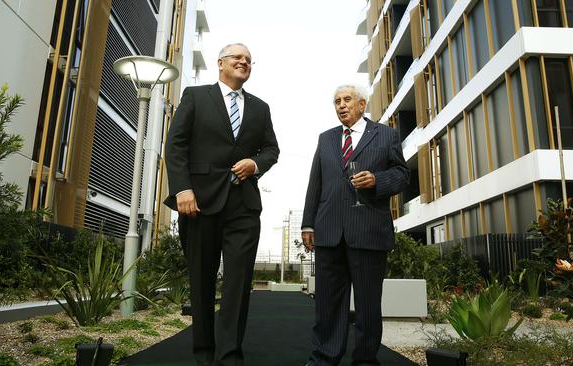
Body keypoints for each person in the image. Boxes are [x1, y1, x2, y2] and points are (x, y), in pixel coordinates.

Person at [164, 43, 279, 366]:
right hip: (198, 204)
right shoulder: (196, 97)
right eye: (237, 58)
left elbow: (271, 150)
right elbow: (175, 147)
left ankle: (229, 355)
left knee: (238, 283)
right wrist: (182, 190)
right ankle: (204, 353)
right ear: (220, 64)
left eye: (248, 59)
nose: (244, 61)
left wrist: (255, 165)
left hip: (243, 206)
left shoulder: (261, 108)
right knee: (201, 281)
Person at [301, 84, 409, 366]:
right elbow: (316, 184)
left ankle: (364, 360)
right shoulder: (326, 139)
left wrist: (377, 180)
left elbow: (402, 174)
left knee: (367, 305)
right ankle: (324, 358)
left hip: (368, 231)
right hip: (328, 233)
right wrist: (307, 224)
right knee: (327, 305)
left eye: (347, 99)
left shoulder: (386, 135)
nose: (341, 105)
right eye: (336, 101)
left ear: (362, 104)